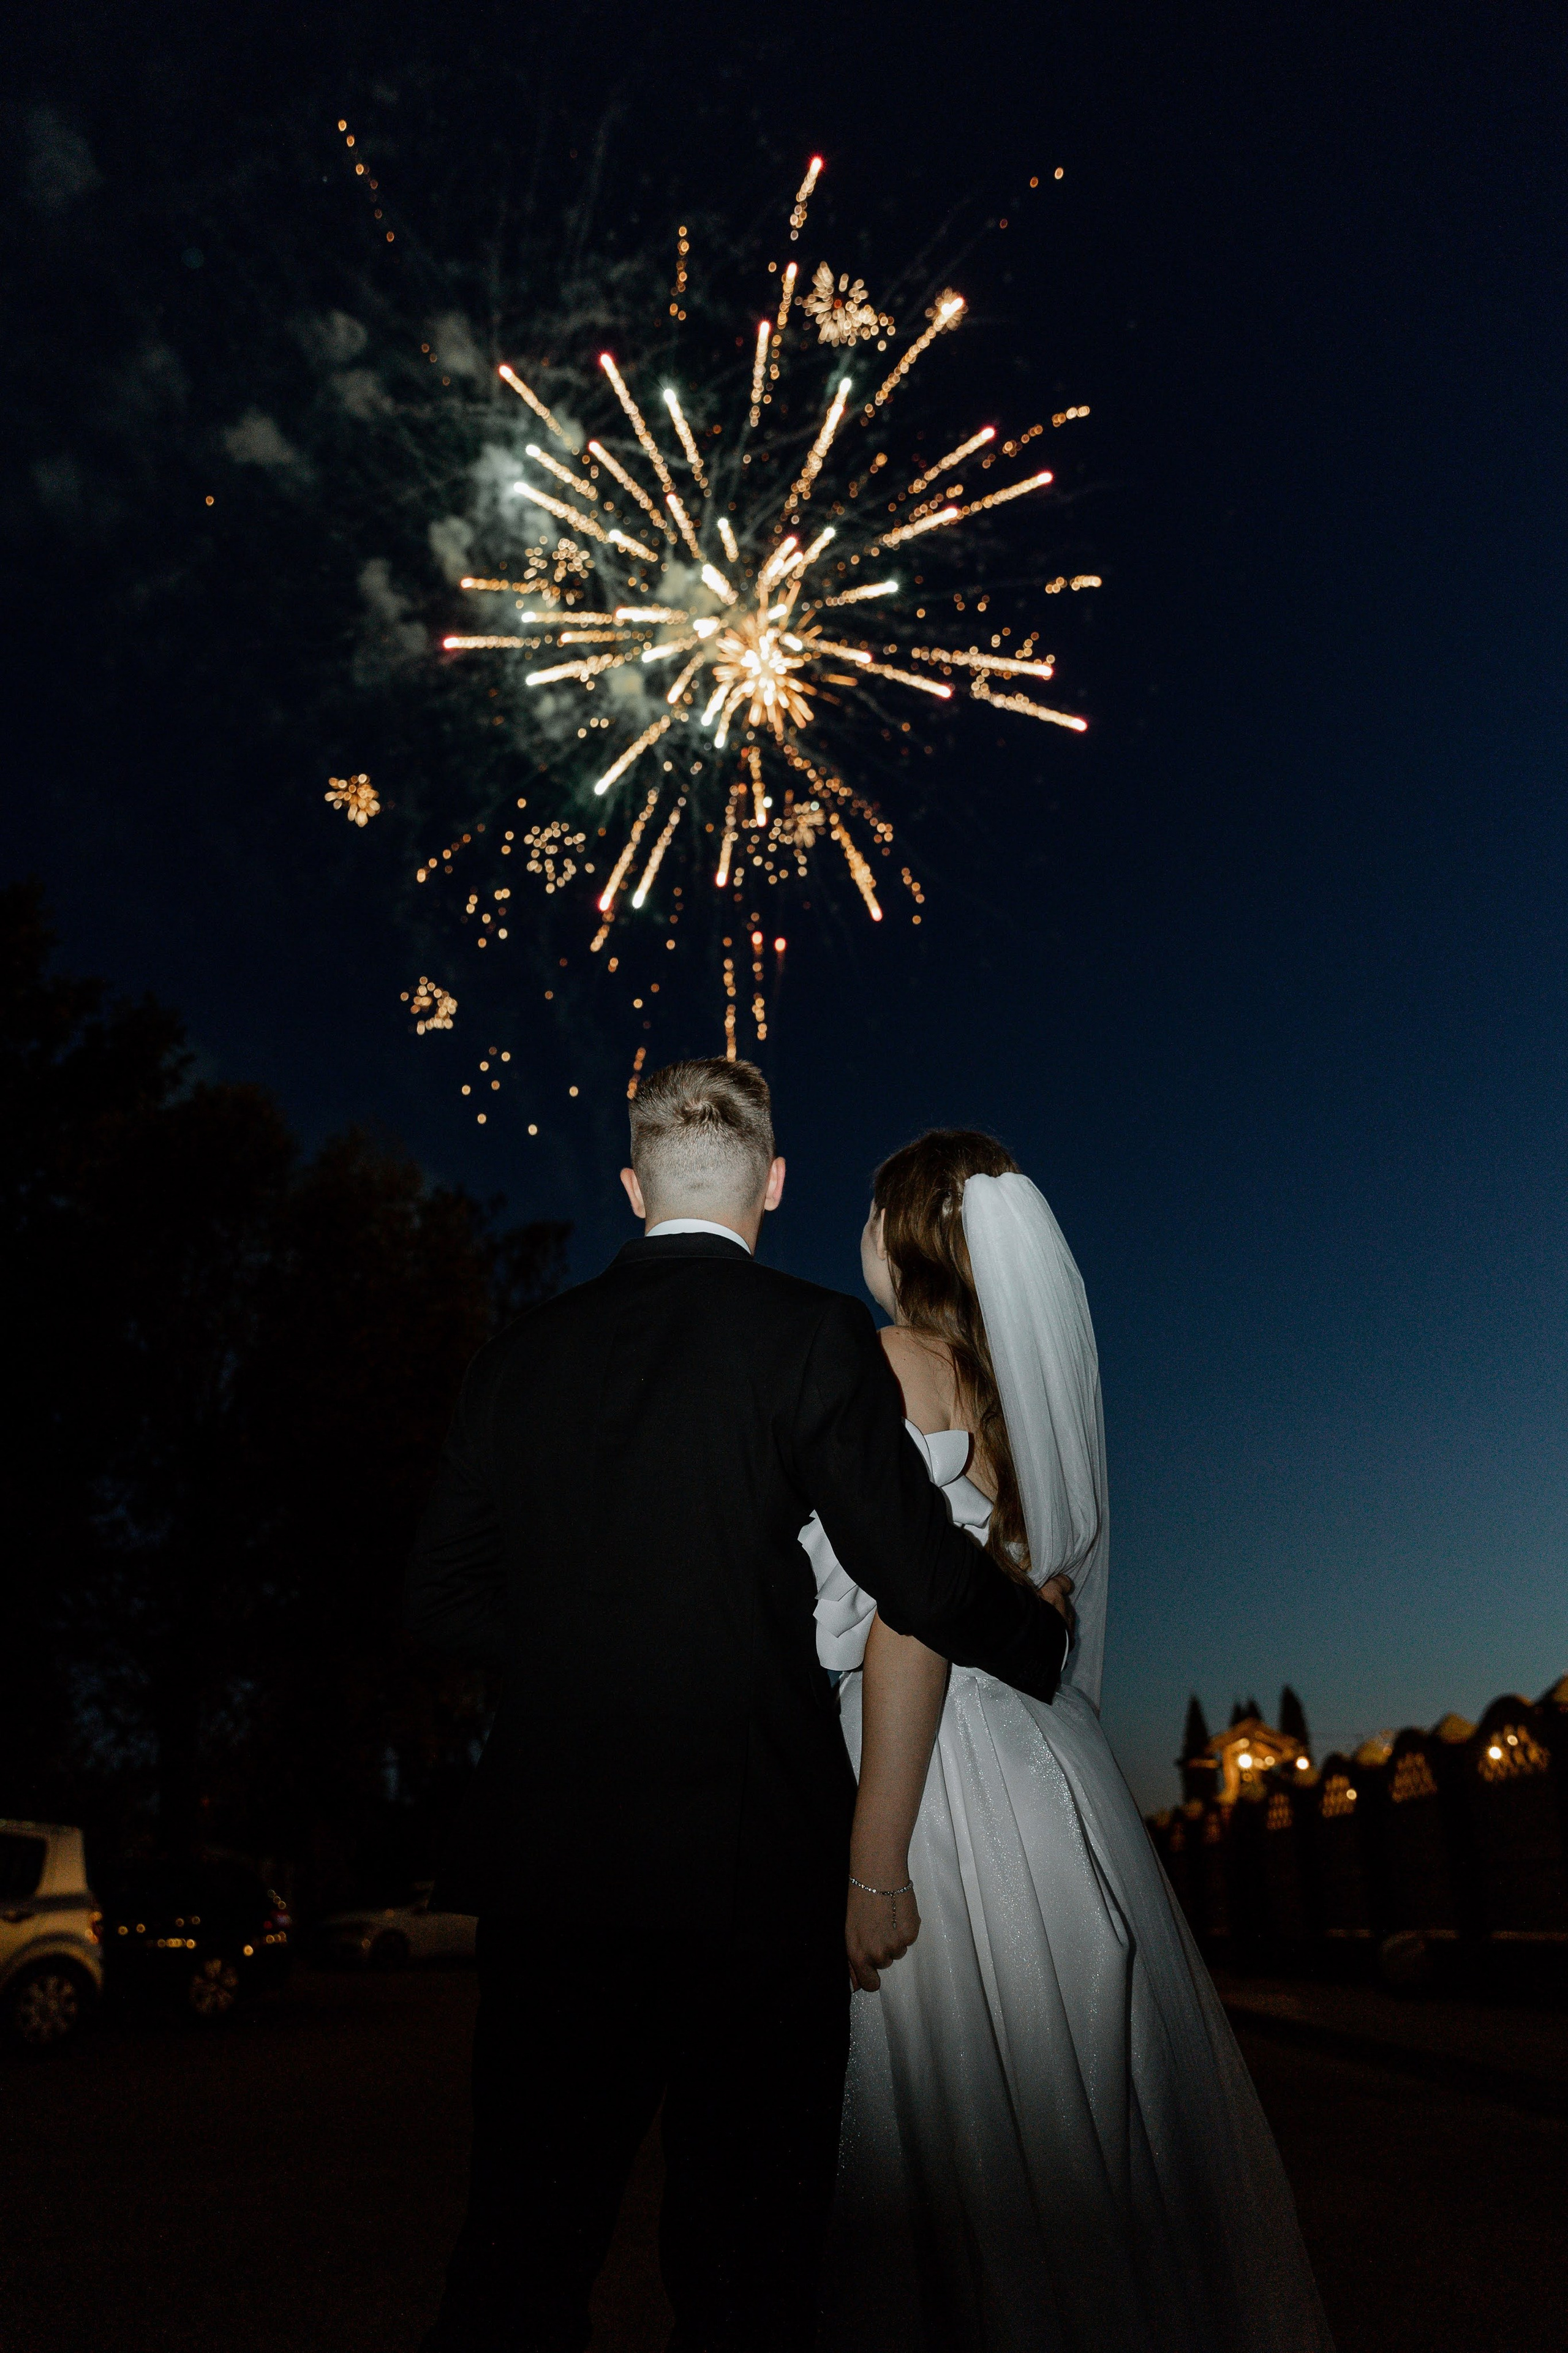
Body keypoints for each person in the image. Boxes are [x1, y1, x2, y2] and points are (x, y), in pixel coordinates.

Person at [405, 1063, 1071, 2353]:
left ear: (630, 1186)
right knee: (746, 2270)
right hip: (753, 1871)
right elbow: (915, 1572)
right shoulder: (811, 1333)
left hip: (554, 1877)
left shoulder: (515, 1358)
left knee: (519, 2249)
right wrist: (1039, 1640)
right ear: (772, 1182)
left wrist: (585, 1652)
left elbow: (437, 1598)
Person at [809, 1130, 1335, 2353]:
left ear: (903, 1233)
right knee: (1082, 2099)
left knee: (973, 2126)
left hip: (934, 1780)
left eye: (873, 1212)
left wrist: (875, 1863)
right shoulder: (1025, 1397)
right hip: (1048, 1776)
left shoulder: (894, 1361)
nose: (860, 1235)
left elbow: (908, 1615)